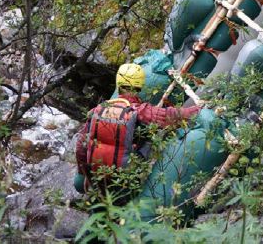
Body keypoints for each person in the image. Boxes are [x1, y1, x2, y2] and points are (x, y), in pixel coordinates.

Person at [75, 63, 200, 191]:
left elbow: (80, 147)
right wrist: (199, 109)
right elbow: (172, 115)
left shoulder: (97, 110)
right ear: (139, 86)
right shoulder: (139, 111)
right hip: (128, 178)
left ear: (118, 84)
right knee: (152, 136)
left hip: (100, 177)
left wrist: (83, 173)